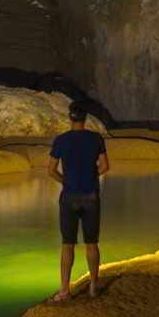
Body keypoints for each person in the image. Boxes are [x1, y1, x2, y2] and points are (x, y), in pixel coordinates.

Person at [46, 101, 108, 301]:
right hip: (91, 196)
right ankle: (93, 287)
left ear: (70, 117)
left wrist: (66, 181)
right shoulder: (96, 138)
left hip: (69, 197)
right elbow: (105, 166)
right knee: (92, 244)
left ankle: (65, 290)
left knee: (67, 244)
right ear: (85, 118)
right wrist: (90, 176)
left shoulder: (61, 140)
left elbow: (51, 170)